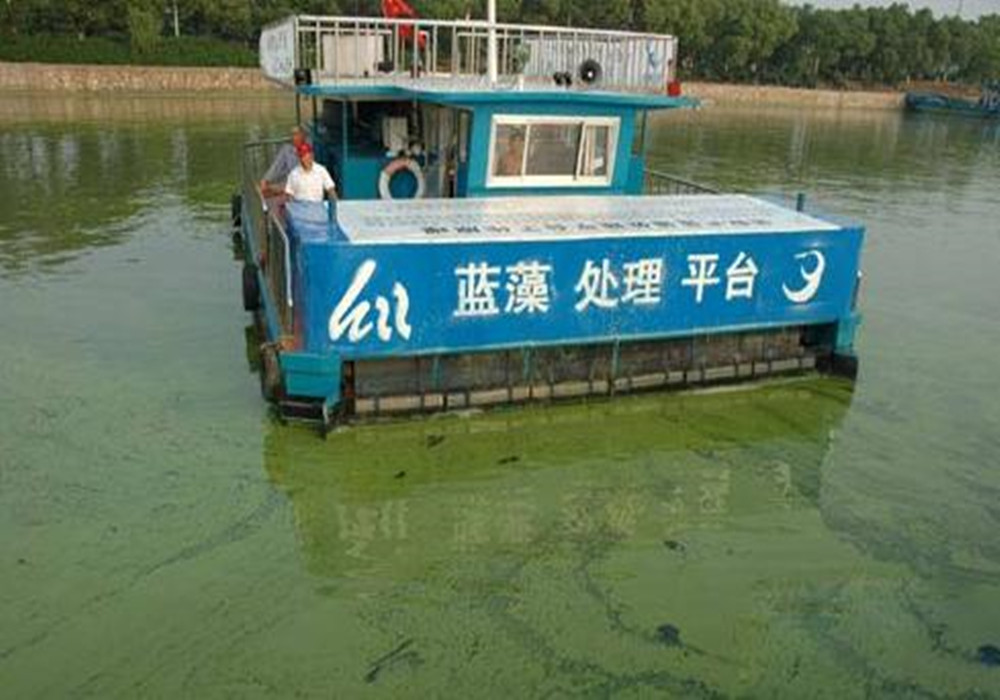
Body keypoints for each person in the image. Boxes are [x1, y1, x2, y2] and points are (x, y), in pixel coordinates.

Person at [259, 126, 306, 197]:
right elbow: (277, 166)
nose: (294, 137)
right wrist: (266, 180)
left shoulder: (308, 149)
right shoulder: (287, 150)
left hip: (303, 184)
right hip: (290, 183)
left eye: (297, 134)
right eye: (293, 134)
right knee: (265, 189)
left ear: (303, 136)